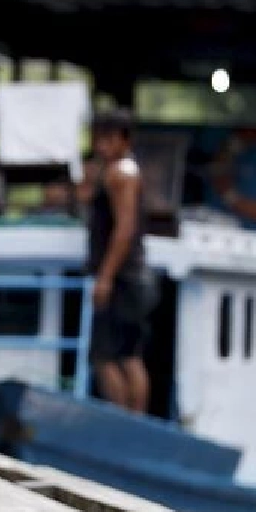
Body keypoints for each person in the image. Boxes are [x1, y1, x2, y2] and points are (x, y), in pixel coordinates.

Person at [86, 110, 156, 413]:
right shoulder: (118, 172)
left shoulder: (121, 174)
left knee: (110, 357)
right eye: (98, 139)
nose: (102, 146)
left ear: (124, 140)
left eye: (108, 139)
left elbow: (124, 229)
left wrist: (106, 276)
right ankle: (132, 420)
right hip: (129, 276)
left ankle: (127, 419)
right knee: (126, 354)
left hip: (124, 278)